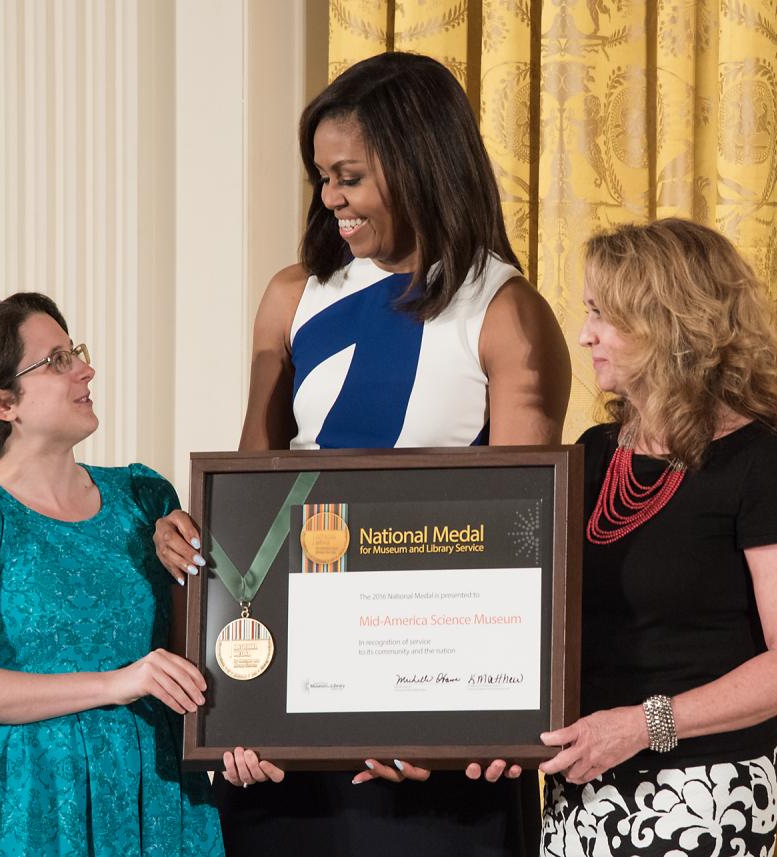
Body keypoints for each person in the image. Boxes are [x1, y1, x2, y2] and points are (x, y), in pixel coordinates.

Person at [155, 52, 571, 856]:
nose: (330, 200)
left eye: (349, 176)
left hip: (432, 742)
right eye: (320, 177)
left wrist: (458, 725)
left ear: (420, 163)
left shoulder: (505, 310)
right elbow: (253, 503)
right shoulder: (291, 294)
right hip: (291, 724)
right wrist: (193, 536)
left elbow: (530, 540)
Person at [538, 219, 777, 856]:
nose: (585, 334)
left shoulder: (764, 465)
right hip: (581, 792)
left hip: (704, 793)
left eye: (603, 315)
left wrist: (646, 726)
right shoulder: (590, 453)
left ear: (668, 325)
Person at [0, 293, 223, 856]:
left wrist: (235, 736)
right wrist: (117, 682)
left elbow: (195, 655)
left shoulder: (144, 496)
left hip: (157, 787)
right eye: (57, 360)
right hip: (29, 797)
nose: (86, 368)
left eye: (74, 351)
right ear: (3, 403)